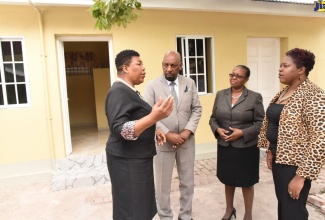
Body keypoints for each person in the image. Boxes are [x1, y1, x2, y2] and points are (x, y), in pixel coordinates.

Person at [105, 49, 174, 220]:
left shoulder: (129, 91)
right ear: (126, 68)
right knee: (133, 209)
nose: (144, 68)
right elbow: (121, 129)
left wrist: (152, 129)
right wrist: (153, 117)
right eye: (139, 63)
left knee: (140, 206)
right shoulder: (118, 92)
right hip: (127, 162)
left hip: (136, 159)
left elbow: (134, 119)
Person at [258, 48, 325, 220]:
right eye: (280, 65)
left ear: (301, 69)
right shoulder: (284, 92)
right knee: (284, 206)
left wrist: (301, 176)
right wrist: (270, 150)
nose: (280, 69)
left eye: (285, 66)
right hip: (280, 160)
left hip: (295, 165)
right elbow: (275, 122)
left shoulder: (313, 95)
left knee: (293, 211)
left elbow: (320, 139)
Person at [144, 50, 202, 220]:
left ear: (180, 66)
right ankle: (165, 216)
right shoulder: (152, 85)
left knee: (187, 182)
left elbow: (197, 109)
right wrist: (167, 133)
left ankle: (185, 215)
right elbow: (148, 113)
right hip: (163, 143)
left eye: (173, 65)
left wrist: (187, 131)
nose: (169, 69)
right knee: (162, 185)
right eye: (165, 65)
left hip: (186, 142)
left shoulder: (189, 83)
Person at [209, 65, 265, 220]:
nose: (234, 78)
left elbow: (261, 123)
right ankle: (229, 209)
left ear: (246, 79)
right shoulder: (221, 95)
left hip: (246, 147)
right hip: (225, 146)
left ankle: (248, 214)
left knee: (247, 182)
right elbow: (213, 118)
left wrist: (242, 133)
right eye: (232, 74)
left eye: (238, 76)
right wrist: (218, 130)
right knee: (228, 179)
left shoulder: (254, 97)